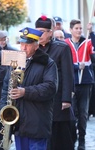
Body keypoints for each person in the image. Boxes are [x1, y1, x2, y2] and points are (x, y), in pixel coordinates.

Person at [0, 27, 58, 150]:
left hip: (37, 122)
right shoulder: (16, 62)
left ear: (36, 46)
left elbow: (50, 88)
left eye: (27, 44)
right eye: (21, 43)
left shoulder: (48, 63)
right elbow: (6, 87)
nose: (23, 47)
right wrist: (3, 110)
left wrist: (25, 92)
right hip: (19, 122)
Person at [35, 15, 75, 150]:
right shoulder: (32, 48)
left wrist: (67, 99)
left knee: (59, 136)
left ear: (50, 33)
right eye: (37, 31)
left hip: (57, 99)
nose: (39, 34)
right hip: (38, 98)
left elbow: (68, 75)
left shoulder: (61, 48)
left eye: (42, 31)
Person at [65, 19, 95, 150]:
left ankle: (82, 140)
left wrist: (92, 33)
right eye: (76, 28)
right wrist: (77, 66)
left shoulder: (87, 41)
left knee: (83, 113)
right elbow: (64, 64)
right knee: (72, 113)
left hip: (85, 83)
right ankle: (73, 137)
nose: (79, 30)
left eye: (80, 28)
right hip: (71, 83)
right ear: (71, 30)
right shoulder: (65, 44)